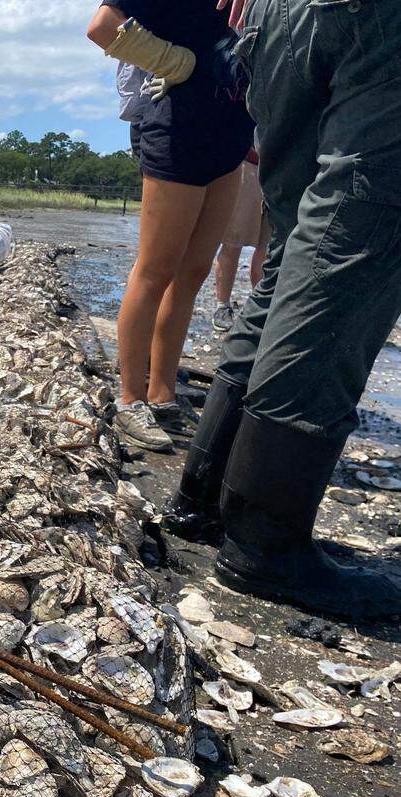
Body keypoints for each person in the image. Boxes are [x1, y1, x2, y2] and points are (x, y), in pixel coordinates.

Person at [165, 0, 401, 618]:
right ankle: (264, 538)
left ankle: (206, 495)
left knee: (298, 241)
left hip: (276, 19)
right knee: (351, 232)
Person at [87, 0, 254, 454]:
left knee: (195, 270)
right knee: (156, 269)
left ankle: (162, 394)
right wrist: (174, 62)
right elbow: (102, 27)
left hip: (232, 133)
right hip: (177, 129)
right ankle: (129, 399)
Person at [211, 145, 270, 332]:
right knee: (232, 241)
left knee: (268, 248)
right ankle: (222, 305)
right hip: (248, 163)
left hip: (279, 167)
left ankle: (261, 306)